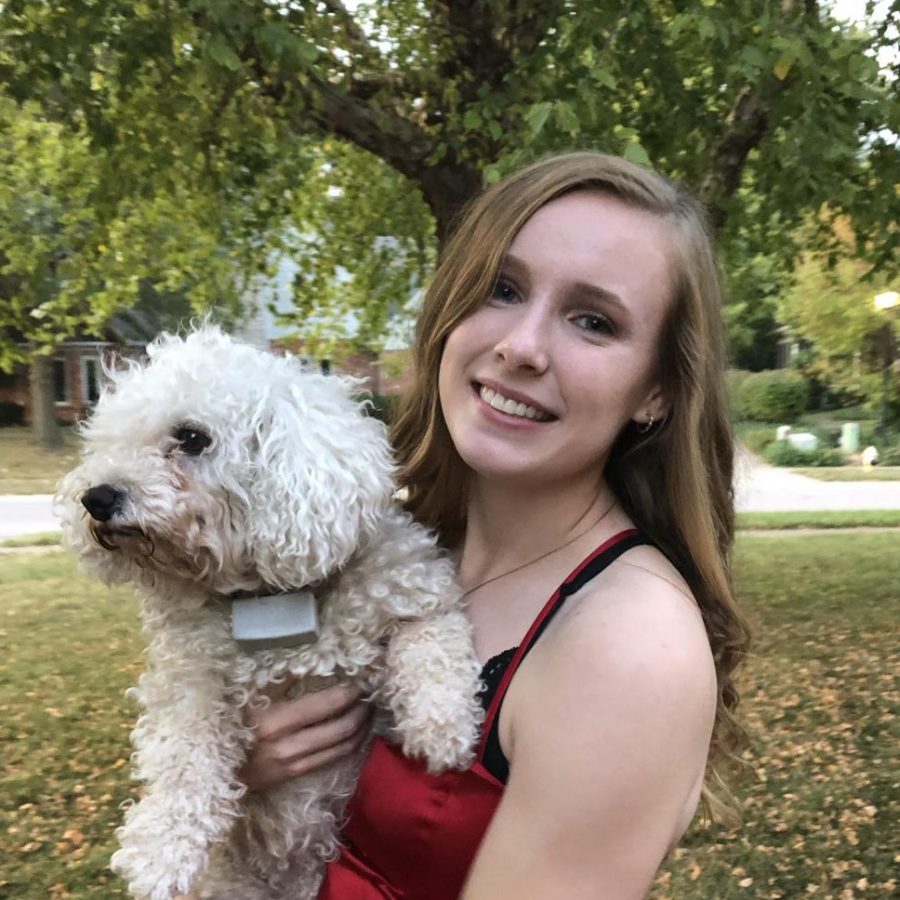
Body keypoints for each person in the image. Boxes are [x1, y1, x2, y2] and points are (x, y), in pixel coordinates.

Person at [240, 151, 751, 899]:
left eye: (593, 321)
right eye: (502, 289)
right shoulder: (393, 549)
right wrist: (240, 784)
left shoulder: (629, 648)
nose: (522, 346)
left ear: (658, 391)